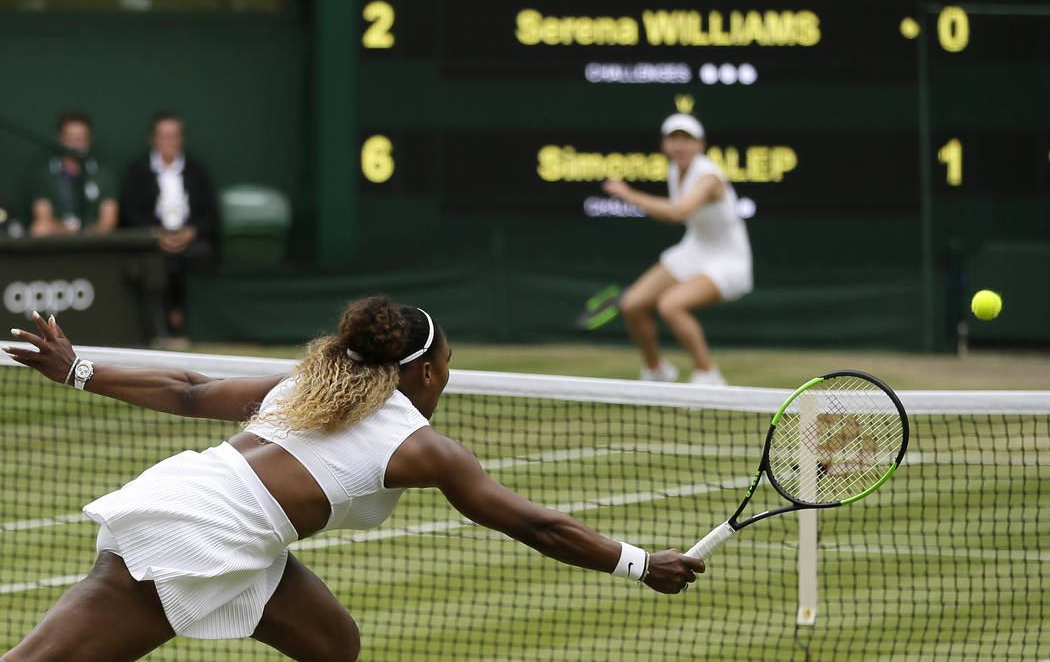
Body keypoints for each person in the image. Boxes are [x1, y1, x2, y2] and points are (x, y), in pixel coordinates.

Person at [1, 296, 704, 661]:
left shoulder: (309, 381)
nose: (449, 375)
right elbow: (537, 524)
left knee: (331, 640)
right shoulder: (424, 446)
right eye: (448, 362)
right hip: (196, 530)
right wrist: (642, 564)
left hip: (236, 529)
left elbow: (190, 388)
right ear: (425, 371)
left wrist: (80, 369)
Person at [602, 113, 752, 385]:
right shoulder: (675, 170)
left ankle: (709, 375)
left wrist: (629, 194)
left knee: (671, 305)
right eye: (673, 138)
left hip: (730, 261)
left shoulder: (708, 178)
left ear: (701, 144)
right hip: (695, 249)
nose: (680, 145)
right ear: (664, 144)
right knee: (632, 305)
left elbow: (679, 212)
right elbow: (674, 214)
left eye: (687, 139)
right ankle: (657, 372)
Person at [120, 111, 218, 338]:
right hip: (153, 241)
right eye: (164, 136)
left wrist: (190, 233)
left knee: (202, 255)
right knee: (152, 263)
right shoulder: (137, 171)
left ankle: (193, 328)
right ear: (153, 139)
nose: (169, 142)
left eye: (174, 136)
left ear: (181, 139)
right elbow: (130, 212)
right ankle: (159, 328)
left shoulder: (197, 171)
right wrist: (156, 235)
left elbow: (210, 215)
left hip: (190, 241)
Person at [25, 111, 119, 237]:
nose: (75, 145)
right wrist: (71, 234)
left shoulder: (104, 174)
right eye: (69, 139)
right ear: (58, 139)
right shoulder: (44, 174)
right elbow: (42, 218)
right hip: (58, 237)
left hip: (94, 240)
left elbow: (108, 221)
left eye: (81, 139)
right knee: (38, 228)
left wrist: (87, 235)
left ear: (89, 140)